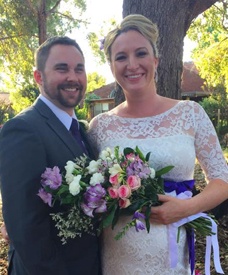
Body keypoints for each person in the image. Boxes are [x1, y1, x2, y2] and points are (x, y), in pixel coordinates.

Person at [88, 14, 228, 274]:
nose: (132, 65)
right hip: (117, 259)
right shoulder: (99, 126)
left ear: (155, 60)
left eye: (141, 53)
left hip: (172, 259)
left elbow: (222, 180)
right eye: (121, 57)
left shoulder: (190, 114)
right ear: (111, 65)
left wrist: (187, 208)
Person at [0, 36, 101, 275]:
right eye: (61, 68)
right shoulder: (23, 129)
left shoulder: (82, 131)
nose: (73, 77)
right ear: (38, 77)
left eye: (79, 69)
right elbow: (27, 230)